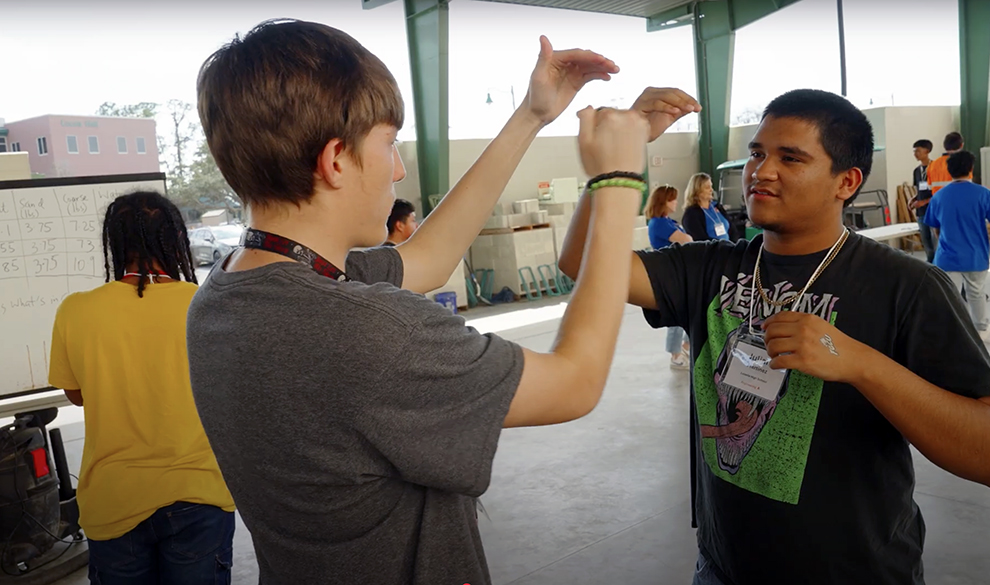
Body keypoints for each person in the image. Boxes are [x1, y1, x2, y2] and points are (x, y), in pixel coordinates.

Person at [188, 19, 690, 585]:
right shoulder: (369, 333)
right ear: (335, 160)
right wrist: (619, 182)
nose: (398, 168)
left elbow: (431, 255)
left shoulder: (226, 295)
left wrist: (532, 114)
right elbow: (573, 383)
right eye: (388, 142)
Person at [560, 88, 990, 585]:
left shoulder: (907, 287)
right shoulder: (710, 266)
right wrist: (614, 166)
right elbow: (583, 264)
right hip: (724, 569)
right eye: (757, 153)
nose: (761, 171)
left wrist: (860, 364)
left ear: (846, 181)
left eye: (790, 158)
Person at [48, 191, 236, 584]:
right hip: (199, 492)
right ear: (176, 239)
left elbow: (76, 394)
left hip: (114, 499)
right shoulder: (205, 303)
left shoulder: (76, 309)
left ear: (114, 242)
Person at [922, 150, 990, 340]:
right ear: (971, 170)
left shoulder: (939, 197)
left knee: (950, 296)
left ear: (949, 171)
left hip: (947, 256)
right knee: (976, 292)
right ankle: (981, 327)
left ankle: (951, 332)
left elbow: (935, 229)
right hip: (975, 255)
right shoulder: (984, 194)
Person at [645, 185, 692, 369]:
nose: (676, 202)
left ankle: (685, 346)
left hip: (678, 271)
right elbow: (686, 239)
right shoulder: (660, 223)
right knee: (677, 314)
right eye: (672, 199)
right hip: (670, 274)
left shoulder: (667, 221)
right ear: (663, 201)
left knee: (686, 312)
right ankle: (675, 354)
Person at [908, 138, 936, 262]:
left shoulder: (936, 168)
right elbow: (919, 189)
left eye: (918, 151)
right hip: (921, 212)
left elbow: (940, 192)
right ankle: (931, 265)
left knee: (936, 242)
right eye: (914, 151)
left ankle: (939, 267)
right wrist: (913, 199)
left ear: (927, 151)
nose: (915, 154)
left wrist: (923, 202)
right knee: (926, 242)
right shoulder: (916, 171)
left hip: (934, 211)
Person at [682, 172, 730, 241]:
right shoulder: (691, 214)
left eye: (711, 186)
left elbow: (732, 229)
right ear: (697, 190)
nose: (711, 190)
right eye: (707, 187)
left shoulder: (717, 206)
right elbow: (700, 239)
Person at [927, 131, 964, 196]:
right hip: (957, 201)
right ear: (961, 145)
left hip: (938, 202)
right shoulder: (963, 163)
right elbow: (967, 187)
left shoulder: (932, 164)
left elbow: (929, 187)